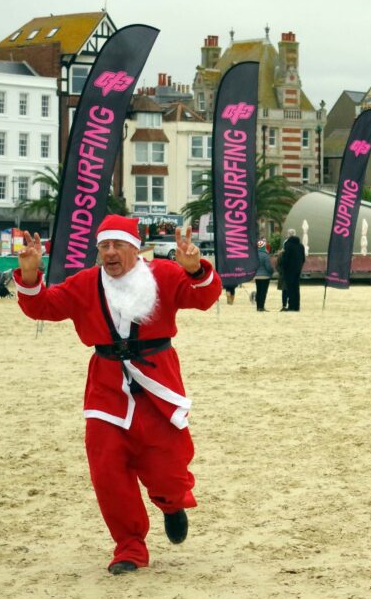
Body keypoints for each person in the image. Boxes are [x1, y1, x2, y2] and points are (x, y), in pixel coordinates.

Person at [13, 216, 222, 575]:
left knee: (168, 469)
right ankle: (129, 545)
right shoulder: (84, 284)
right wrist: (31, 276)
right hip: (106, 387)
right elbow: (42, 306)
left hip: (158, 384)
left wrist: (195, 269)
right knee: (106, 468)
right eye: (103, 247)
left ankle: (171, 505)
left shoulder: (165, 275)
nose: (109, 253)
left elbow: (204, 298)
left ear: (134, 247)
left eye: (117, 245)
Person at [281, 228, 305, 312]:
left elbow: (285, 258)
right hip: (297, 270)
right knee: (296, 288)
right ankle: (297, 306)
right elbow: (303, 259)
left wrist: (284, 268)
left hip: (289, 270)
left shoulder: (288, 245)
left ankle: (291, 306)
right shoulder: (301, 245)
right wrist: (299, 267)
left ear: (288, 235)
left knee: (290, 288)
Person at [254, 238, 274, 311]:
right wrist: (271, 272)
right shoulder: (266, 255)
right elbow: (268, 266)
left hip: (257, 276)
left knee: (258, 291)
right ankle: (261, 307)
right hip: (265, 276)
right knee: (263, 292)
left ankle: (258, 307)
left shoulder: (255, 255)